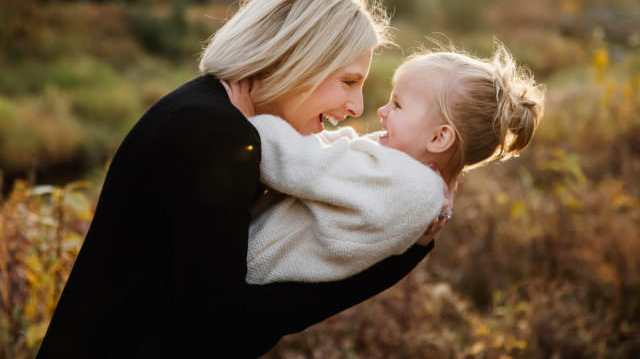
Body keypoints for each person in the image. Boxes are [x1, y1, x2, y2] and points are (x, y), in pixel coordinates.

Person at [37, 0, 446, 358]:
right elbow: (223, 330)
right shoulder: (217, 134)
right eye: (348, 81)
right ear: (300, 57)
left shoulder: (208, 113)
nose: (357, 106)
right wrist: (386, 264)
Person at [223, 42, 544, 284]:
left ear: (439, 138)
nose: (382, 111)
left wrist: (249, 120)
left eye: (398, 104)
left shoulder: (407, 183)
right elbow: (339, 149)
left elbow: (304, 165)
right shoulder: (406, 172)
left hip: (249, 266)